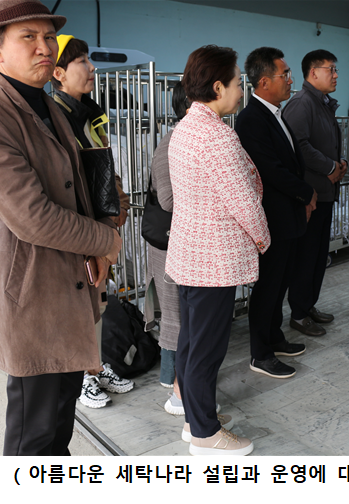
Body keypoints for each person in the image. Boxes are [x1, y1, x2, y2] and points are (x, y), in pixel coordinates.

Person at [0, 0, 122, 455]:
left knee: (58, 429)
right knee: (34, 437)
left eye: (48, 36)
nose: (44, 47)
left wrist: (104, 226)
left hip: (67, 289)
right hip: (30, 298)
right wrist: (106, 240)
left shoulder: (49, 106)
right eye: (28, 37)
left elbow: (79, 189)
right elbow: (32, 216)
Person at [166, 45, 271, 456]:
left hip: (190, 254)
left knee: (192, 343)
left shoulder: (185, 128)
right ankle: (206, 435)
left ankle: (195, 418)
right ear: (217, 87)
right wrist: (263, 238)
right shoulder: (216, 136)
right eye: (237, 82)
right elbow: (242, 201)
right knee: (206, 350)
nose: (241, 90)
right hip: (214, 260)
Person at [51, 34, 134, 408]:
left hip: (102, 225)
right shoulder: (56, 118)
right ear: (58, 73)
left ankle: (95, 367)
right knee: (76, 305)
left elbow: (104, 167)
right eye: (81, 61)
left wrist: (118, 202)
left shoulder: (89, 113)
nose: (91, 67)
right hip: (79, 230)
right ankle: (82, 376)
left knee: (97, 302)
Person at [236, 47, 318, 379]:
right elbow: (269, 169)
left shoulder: (275, 113)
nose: (290, 80)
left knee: (281, 281)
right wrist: (306, 191)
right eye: (285, 75)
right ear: (265, 81)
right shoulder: (251, 119)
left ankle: (274, 336)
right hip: (271, 218)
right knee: (268, 286)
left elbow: (289, 162)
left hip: (288, 216)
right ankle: (260, 353)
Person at [283, 49, 346, 337]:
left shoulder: (322, 103)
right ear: (313, 72)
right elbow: (299, 146)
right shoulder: (302, 104)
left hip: (325, 192)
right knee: (306, 257)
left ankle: (308, 305)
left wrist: (340, 163)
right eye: (330, 69)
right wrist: (330, 166)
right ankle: (298, 313)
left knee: (319, 256)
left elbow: (327, 143)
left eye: (335, 69)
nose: (336, 75)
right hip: (310, 197)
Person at [145, 81, 190, 415]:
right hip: (169, 241)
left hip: (181, 240)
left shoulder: (188, 140)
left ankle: (174, 378)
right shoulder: (170, 143)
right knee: (174, 311)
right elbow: (168, 199)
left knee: (179, 311)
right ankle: (171, 381)